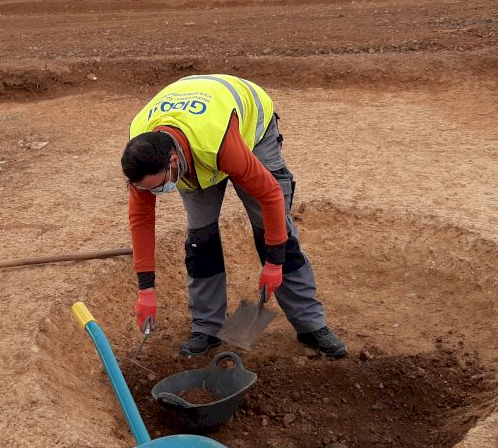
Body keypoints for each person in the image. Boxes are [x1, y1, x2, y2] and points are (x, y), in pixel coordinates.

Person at [122, 74, 347, 358]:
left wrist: (274, 263)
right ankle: (206, 327)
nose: (159, 192)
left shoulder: (217, 143)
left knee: (272, 228)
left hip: (245, 130)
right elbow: (141, 221)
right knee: (200, 239)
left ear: (173, 160)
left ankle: (311, 324)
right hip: (194, 141)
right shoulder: (142, 158)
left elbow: (270, 195)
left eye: (161, 185)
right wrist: (146, 291)